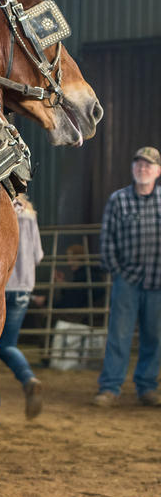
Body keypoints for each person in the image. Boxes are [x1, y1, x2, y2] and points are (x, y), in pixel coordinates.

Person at [94, 146, 161, 407]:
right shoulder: (118, 199)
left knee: (154, 337)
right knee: (119, 336)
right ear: (133, 168)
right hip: (127, 281)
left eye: (148, 165)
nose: (142, 169)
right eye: (139, 164)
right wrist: (116, 270)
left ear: (157, 171)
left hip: (158, 281)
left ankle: (147, 387)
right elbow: (107, 238)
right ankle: (110, 387)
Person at [0, 194, 44, 425]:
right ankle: (28, 379)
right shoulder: (28, 213)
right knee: (8, 345)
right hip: (24, 288)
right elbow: (38, 255)